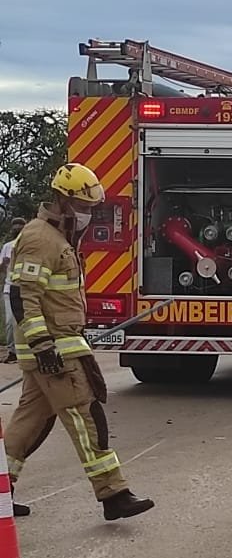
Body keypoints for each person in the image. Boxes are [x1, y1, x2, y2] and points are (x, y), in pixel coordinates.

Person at [5, 164, 154, 521]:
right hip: (54, 353)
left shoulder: (59, 238)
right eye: (82, 206)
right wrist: (43, 345)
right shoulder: (41, 237)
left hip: (55, 350)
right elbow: (23, 295)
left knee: (30, 424)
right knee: (86, 419)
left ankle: (0, 490)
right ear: (61, 200)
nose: (87, 215)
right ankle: (113, 493)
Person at [2, 217, 28, 364]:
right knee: (10, 322)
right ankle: (12, 351)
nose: (16, 228)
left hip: (26, 288)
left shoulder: (29, 245)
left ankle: (27, 351)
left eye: (19, 225)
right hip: (9, 288)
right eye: (15, 226)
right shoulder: (7, 247)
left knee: (25, 321)